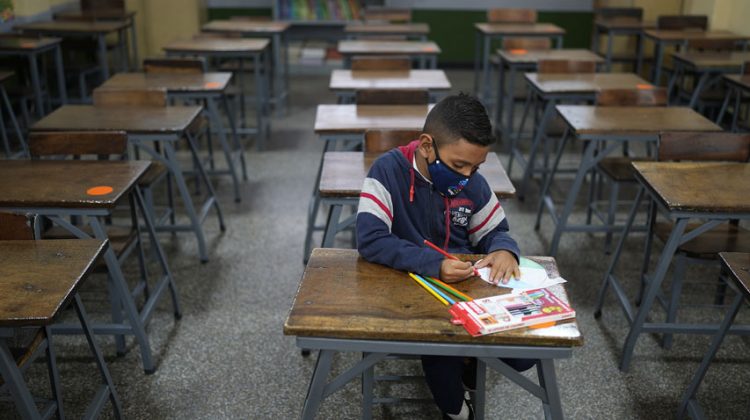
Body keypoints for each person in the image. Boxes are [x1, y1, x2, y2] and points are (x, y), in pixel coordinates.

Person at [356, 93, 535, 420]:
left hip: (463, 291)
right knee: (442, 353)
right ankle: (457, 409)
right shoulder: (386, 172)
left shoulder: (472, 184)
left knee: (525, 355)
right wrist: (433, 264)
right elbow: (371, 239)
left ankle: (468, 367)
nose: (466, 176)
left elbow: (495, 230)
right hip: (407, 290)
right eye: (458, 165)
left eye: (475, 167)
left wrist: (504, 249)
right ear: (427, 146)